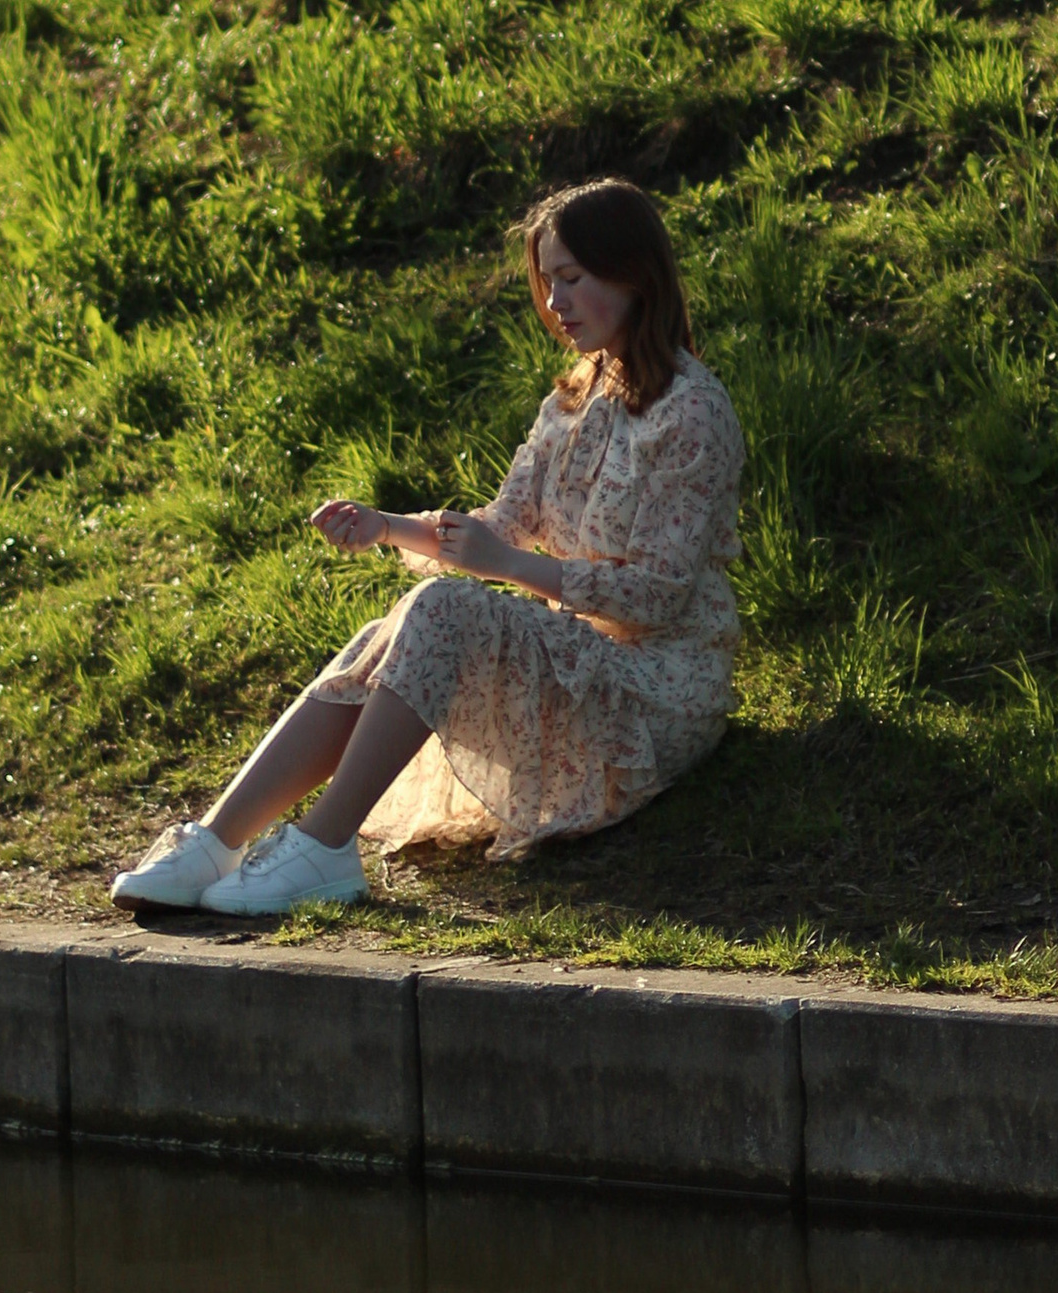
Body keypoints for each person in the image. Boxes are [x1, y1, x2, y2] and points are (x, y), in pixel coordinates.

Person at [112, 176, 745, 916]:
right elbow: (501, 525)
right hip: (582, 666)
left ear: (633, 272)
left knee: (443, 609)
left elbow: (660, 597)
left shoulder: (694, 412)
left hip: (659, 695)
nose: (554, 304)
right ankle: (220, 841)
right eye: (546, 284)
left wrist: (511, 568)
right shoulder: (575, 400)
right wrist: (385, 526)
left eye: (571, 279)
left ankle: (322, 847)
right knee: (389, 632)